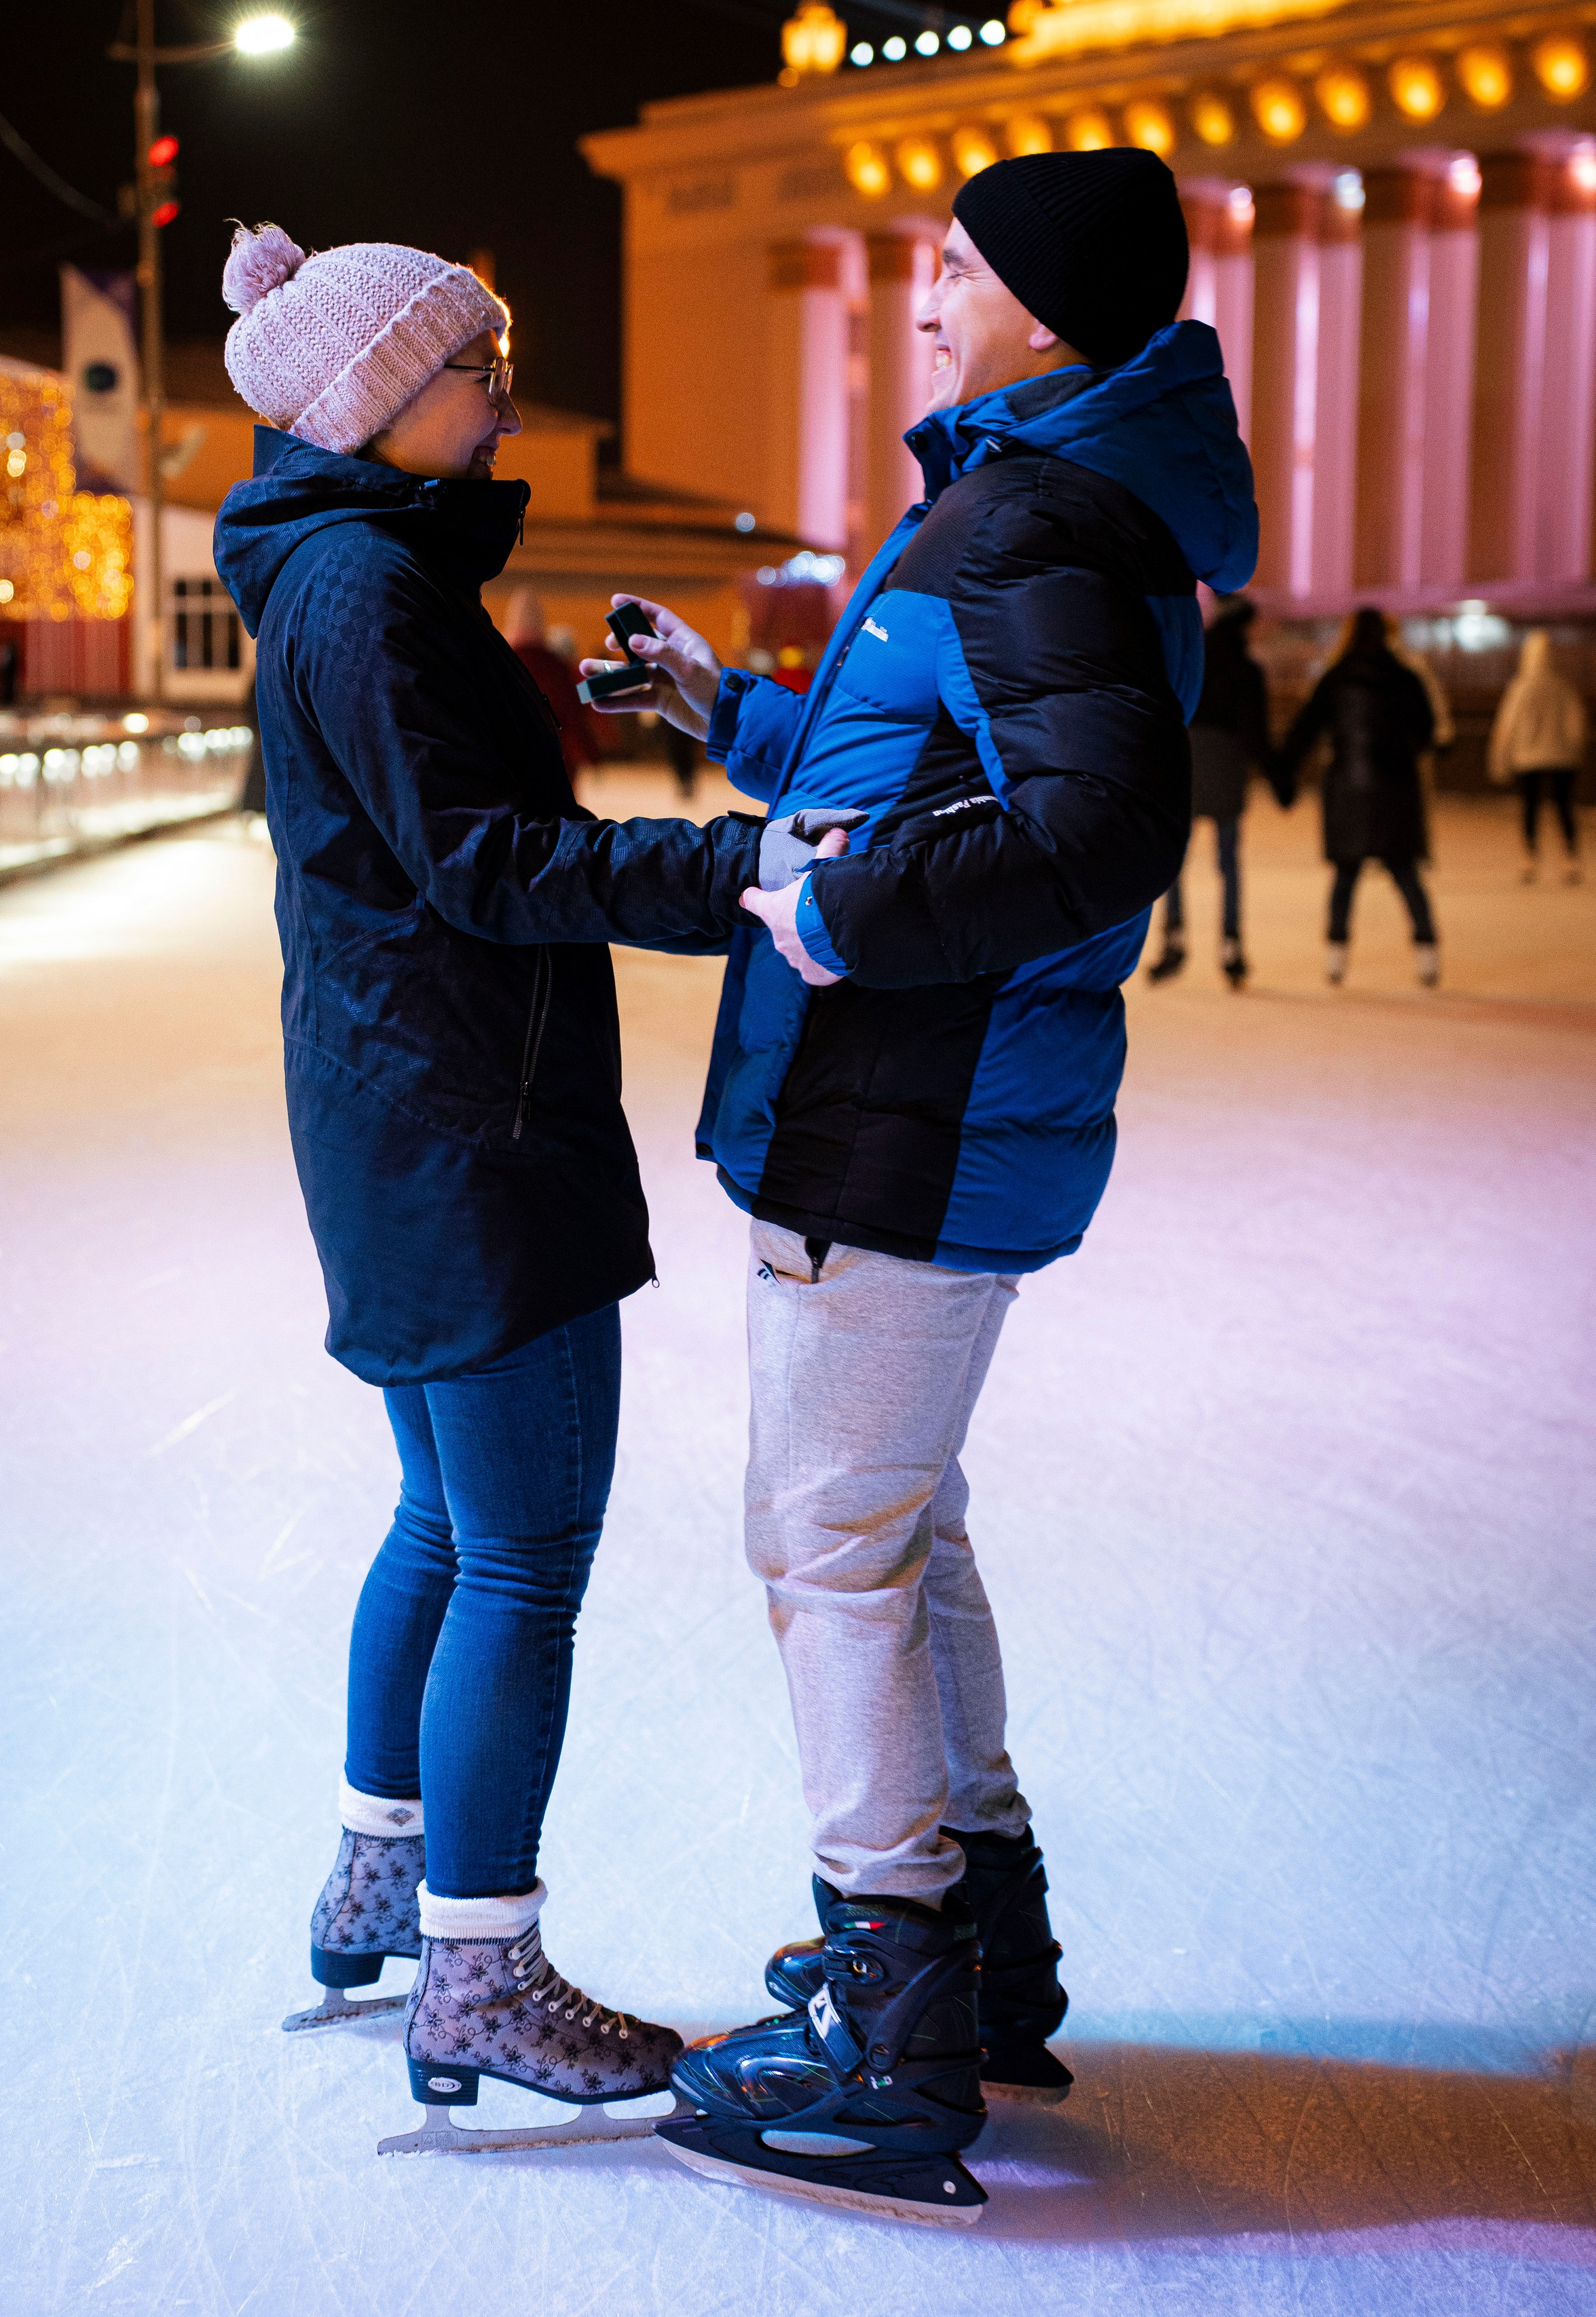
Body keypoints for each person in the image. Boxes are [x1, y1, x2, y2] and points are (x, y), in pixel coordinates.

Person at [558, 147, 1257, 2222]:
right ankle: (975, 1943)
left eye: (953, 266)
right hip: (921, 1099)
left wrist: (850, 922)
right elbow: (913, 770)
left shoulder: (1030, 513)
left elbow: (1100, 821)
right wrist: (727, 706)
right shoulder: (1033, 498)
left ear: (1044, 305)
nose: (924, 294)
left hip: (906, 1107)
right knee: (895, 1525)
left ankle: (893, 2013)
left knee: (828, 1544)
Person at [212, 223, 776, 2156]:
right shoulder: (368, 589)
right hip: (465, 1121)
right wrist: (733, 870)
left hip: (404, 1102)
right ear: (378, 396)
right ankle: (481, 1966)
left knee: (445, 1521)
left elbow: (442, 833)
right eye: (478, 363)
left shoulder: (352, 573)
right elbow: (484, 861)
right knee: (519, 1552)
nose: (507, 396)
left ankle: (386, 1880)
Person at [1281, 606, 1439, 986]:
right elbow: (1427, 732)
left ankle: (1336, 954)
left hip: (1348, 790)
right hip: (1396, 789)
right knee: (1405, 873)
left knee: (1345, 875)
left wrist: (1282, 773)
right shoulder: (1406, 679)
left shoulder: (1335, 679)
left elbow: (1305, 730)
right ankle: (1427, 952)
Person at [1147, 594, 1288, 990]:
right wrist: (1280, 781)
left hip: (1188, 761)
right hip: (1227, 764)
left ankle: (1174, 939)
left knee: (1176, 859)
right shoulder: (1247, 669)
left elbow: (1166, 706)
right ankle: (1231, 945)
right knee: (1228, 862)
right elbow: (1257, 731)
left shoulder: (1193, 657)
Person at [1489, 628, 1584, 884]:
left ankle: (1530, 858)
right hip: (1562, 758)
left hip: (1527, 759)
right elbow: (1576, 722)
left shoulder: (1520, 688)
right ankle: (1570, 858)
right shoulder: (1562, 687)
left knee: (1530, 809)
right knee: (1564, 808)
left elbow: (1507, 726)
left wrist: (1500, 759)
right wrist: (1575, 749)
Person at [503, 586, 606, 785]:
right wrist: (591, 753)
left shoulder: (500, 661)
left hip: (511, 758)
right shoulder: (558, 667)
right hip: (556, 757)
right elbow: (575, 709)